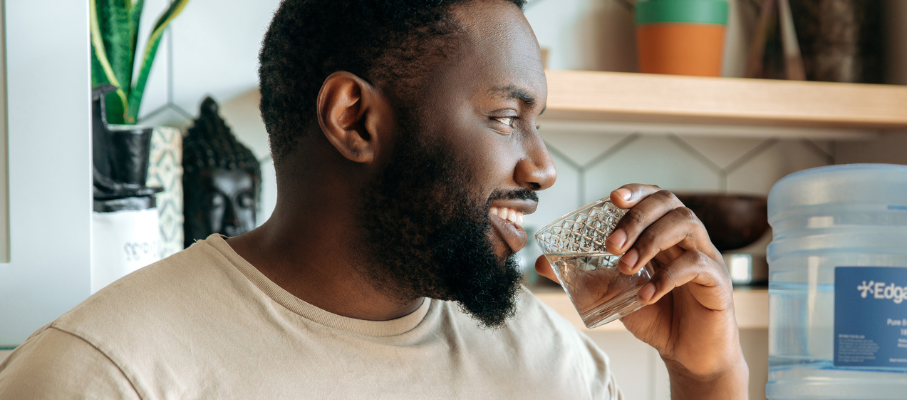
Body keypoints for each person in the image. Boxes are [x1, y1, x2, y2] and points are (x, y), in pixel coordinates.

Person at [0, 0, 747, 398]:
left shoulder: (549, 358)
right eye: (505, 117)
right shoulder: (105, 376)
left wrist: (707, 376)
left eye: (539, 124)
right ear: (355, 118)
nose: (544, 168)